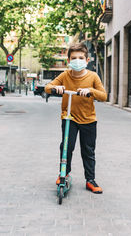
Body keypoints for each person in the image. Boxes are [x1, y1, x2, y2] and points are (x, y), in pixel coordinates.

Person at [45, 42, 107, 194]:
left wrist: (90, 90)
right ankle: (63, 174)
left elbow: (104, 96)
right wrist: (56, 88)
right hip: (69, 118)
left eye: (81, 58)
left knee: (88, 150)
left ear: (87, 60)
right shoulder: (65, 75)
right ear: (69, 61)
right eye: (74, 58)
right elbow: (48, 87)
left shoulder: (93, 76)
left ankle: (90, 179)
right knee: (66, 147)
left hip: (88, 119)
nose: (77, 60)